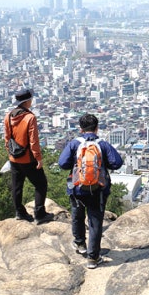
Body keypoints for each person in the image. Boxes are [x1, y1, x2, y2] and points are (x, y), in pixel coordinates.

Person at [58, 113, 123, 269]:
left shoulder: (74, 144)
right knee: (95, 222)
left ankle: (80, 244)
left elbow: (62, 163)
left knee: (77, 215)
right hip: (98, 189)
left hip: (78, 188)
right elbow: (117, 163)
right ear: (97, 128)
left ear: (81, 129)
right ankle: (93, 258)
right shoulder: (103, 144)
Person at [4, 88, 53, 224]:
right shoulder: (29, 118)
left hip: (14, 158)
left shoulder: (8, 116)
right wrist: (38, 158)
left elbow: (7, 139)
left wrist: (11, 154)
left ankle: (19, 212)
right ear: (27, 101)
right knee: (41, 184)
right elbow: (33, 141)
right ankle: (39, 214)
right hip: (28, 158)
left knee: (17, 186)